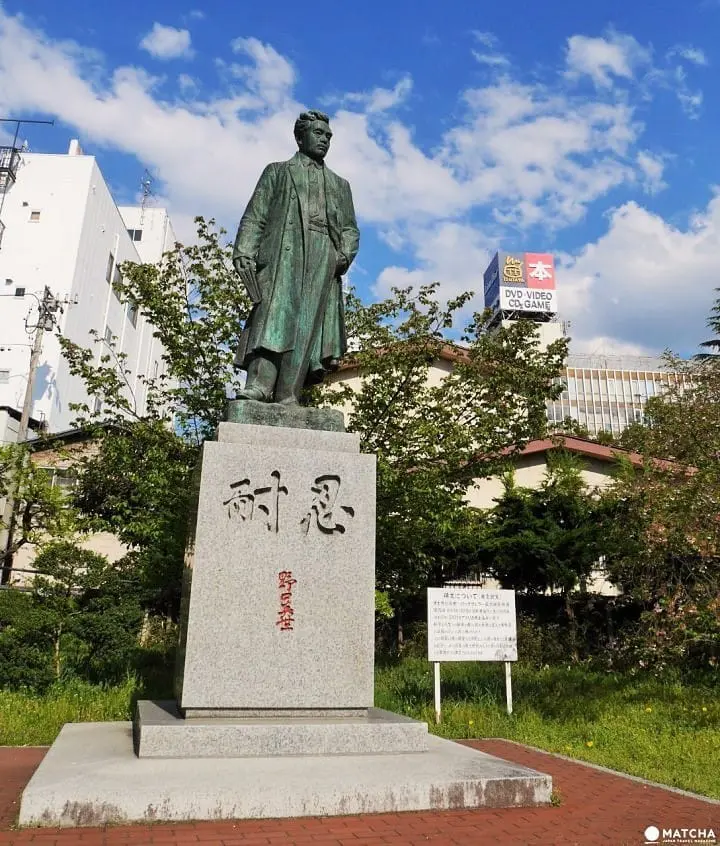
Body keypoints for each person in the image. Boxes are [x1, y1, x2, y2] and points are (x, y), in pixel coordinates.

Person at [232, 110, 360, 405]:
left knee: (308, 325)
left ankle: (289, 394)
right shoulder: (277, 171)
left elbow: (350, 228)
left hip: (322, 254)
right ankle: (260, 385)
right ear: (300, 137)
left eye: (328, 136)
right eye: (318, 133)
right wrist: (244, 250)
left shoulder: (340, 185)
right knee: (274, 316)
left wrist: (343, 255)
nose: (325, 140)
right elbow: (255, 216)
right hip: (283, 253)